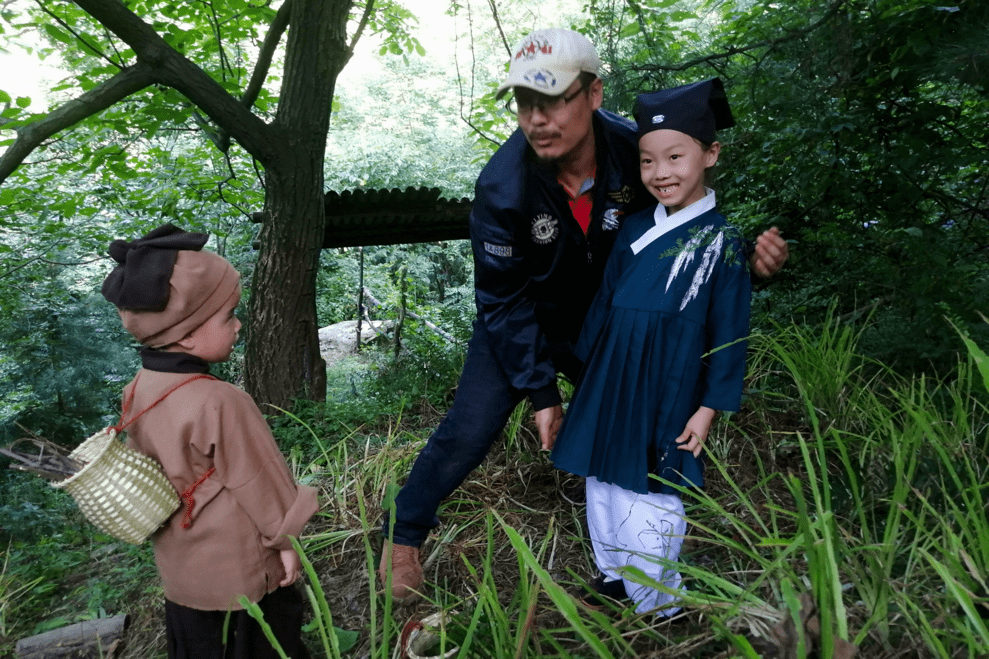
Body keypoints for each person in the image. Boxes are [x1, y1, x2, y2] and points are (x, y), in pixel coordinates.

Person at [378, 28, 788, 604]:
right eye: (525, 103)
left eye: (553, 101)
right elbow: (502, 298)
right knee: (467, 429)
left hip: (611, 320)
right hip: (525, 319)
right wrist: (542, 392)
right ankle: (404, 533)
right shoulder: (503, 187)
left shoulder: (634, 149)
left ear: (594, 94)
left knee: (651, 409)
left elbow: (688, 223)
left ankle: (643, 543)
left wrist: (745, 259)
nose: (538, 119)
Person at [550, 78, 749, 617]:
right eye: (646, 162)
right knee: (602, 475)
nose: (660, 173)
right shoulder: (635, 226)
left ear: (710, 154)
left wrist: (708, 408)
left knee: (651, 483)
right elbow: (604, 304)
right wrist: (585, 373)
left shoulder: (721, 241)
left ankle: (659, 601)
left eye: (675, 157)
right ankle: (615, 574)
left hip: (669, 381)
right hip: (611, 373)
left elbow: (730, 333)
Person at [101, 224, 319, 659]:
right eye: (228, 315)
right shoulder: (220, 401)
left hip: (182, 568)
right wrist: (286, 545)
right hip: (239, 566)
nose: (239, 325)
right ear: (185, 333)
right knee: (261, 644)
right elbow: (261, 483)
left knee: (202, 645)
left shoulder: (139, 388)